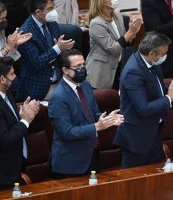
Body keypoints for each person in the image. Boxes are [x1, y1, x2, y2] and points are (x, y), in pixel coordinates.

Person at [114, 31, 173, 168]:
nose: (165, 57)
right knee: (135, 182)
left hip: (153, 132)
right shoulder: (134, 72)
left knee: (155, 177)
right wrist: (169, 98)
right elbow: (143, 108)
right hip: (137, 139)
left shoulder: (151, 63)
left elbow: (156, 87)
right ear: (151, 54)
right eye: (163, 54)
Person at [48, 49, 123, 177]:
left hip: (91, 153)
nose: (82, 69)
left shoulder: (85, 85)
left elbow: (93, 112)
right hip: (70, 163)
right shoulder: (58, 97)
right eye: (77, 66)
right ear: (65, 70)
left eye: (83, 65)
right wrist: (96, 127)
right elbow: (67, 132)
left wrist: (107, 119)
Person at [0, 56, 39, 190]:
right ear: (2, 79)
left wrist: (22, 114)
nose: (15, 77)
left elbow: (9, 122)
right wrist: (25, 121)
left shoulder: (6, 92)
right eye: (12, 74)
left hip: (15, 164)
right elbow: (5, 140)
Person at [17, 0, 74, 102]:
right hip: (37, 87)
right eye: (50, 9)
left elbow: (58, 50)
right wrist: (58, 48)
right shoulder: (25, 32)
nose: (54, 12)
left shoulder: (51, 22)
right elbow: (36, 62)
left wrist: (64, 49)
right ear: (38, 12)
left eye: (54, 7)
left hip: (59, 83)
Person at [86, 0, 142, 89]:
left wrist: (133, 32)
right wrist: (130, 32)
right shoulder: (96, 23)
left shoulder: (117, 16)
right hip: (100, 72)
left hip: (117, 66)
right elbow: (113, 48)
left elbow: (125, 41)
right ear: (102, 0)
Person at [0, 0, 31, 65]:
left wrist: (14, 44)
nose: (5, 20)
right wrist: (8, 47)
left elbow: (7, 58)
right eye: (2, 19)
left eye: (5, 17)